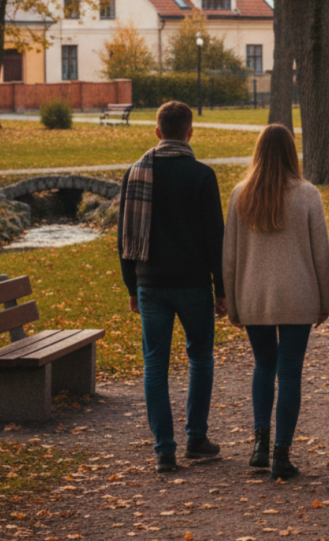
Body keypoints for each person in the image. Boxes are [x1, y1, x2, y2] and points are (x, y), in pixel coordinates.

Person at [118, 101, 226, 474]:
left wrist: (131, 285)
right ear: (190, 132)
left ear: (157, 132)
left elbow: (124, 238)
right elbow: (216, 238)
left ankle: (164, 448)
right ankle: (196, 437)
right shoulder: (202, 175)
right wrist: (222, 289)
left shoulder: (136, 173)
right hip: (194, 284)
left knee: (155, 365)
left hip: (152, 285)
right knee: (200, 359)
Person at [223, 124, 329, 481]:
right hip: (299, 295)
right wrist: (325, 299)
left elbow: (230, 256)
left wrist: (233, 305)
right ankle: (282, 452)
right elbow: (321, 254)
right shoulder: (307, 194)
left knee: (263, 367)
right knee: (289, 373)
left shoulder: (241, 194)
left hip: (254, 296)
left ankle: (259, 445)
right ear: (291, 152)